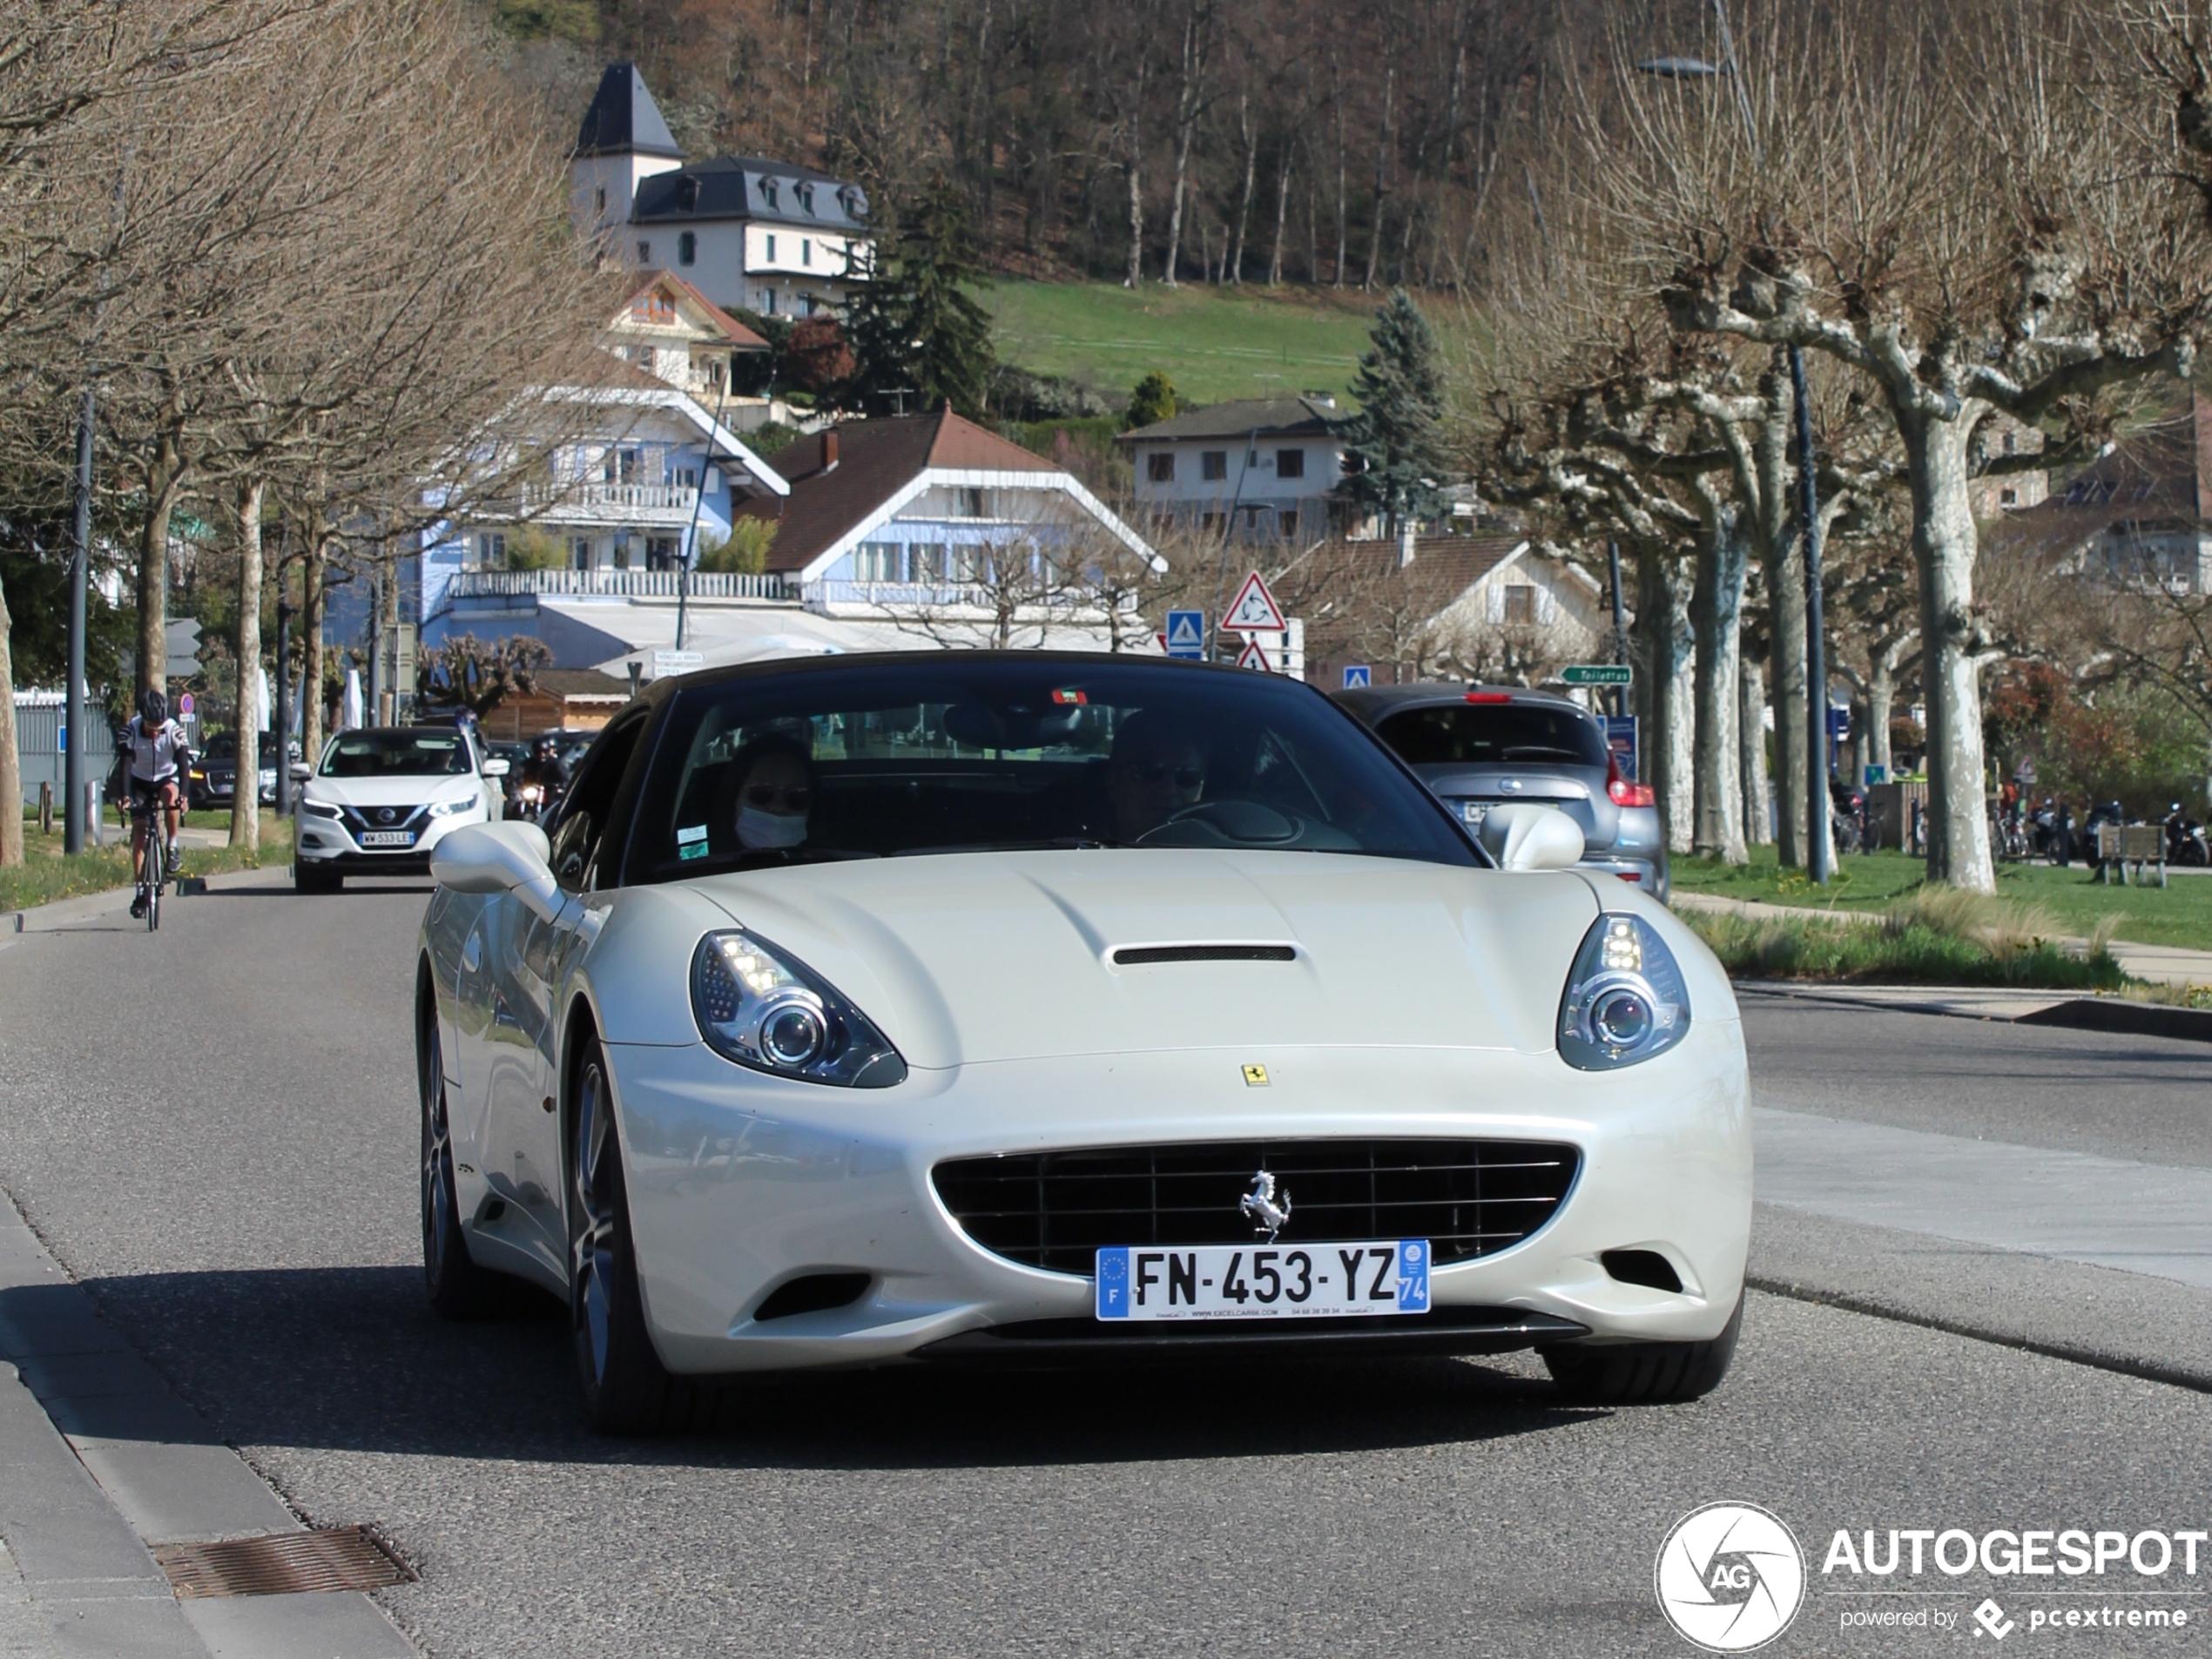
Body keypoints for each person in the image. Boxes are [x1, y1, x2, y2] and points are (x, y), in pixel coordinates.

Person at [122, 688, 192, 918]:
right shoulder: (130, 731)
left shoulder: (174, 732)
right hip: (140, 782)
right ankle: (141, 891)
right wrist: (124, 796)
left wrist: (184, 795)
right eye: (151, 729)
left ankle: (172, 846)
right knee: (140, 833)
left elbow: (183, 766)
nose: (155, 733)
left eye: (159, 729)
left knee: (171, 798)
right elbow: (124, 766)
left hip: (165, 778)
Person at [1106, 711, 1209, 842]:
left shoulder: (1227, 853)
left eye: (1187, 775)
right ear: (1113, 782)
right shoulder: (1077, 853)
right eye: (1150, 771)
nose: (1169, 790)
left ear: (1202, 786)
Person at [727, 736, 817, 854]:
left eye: (797, 796)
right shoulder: (700, 867)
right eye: (761, 792)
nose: (779, 807)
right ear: (735, 796)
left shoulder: (837, 868)